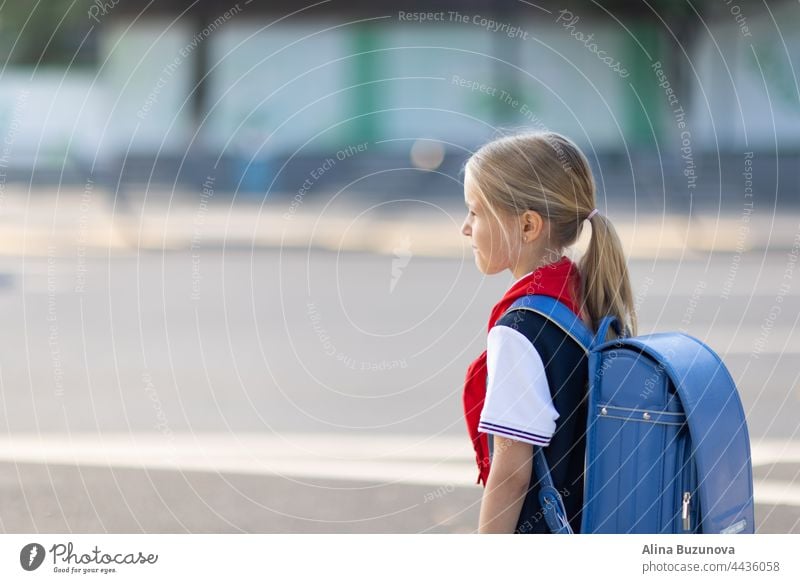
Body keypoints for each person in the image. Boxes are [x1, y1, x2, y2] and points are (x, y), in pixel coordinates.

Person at [460, 131, 638, 533]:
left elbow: (511, 475)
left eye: (475, 212)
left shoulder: (519, 330)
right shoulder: (585, 294)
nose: (465, 228)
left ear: (527, 225)